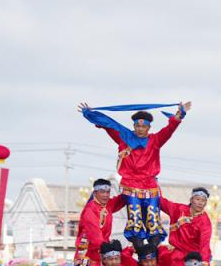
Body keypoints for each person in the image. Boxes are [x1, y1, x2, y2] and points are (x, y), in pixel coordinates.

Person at [80, 102, 192, 249]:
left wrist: (179, 115)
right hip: (131, 186)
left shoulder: (155, 140)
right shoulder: (123, 136)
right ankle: (139, 253)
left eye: (143, 126)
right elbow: (109, 124)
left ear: (149, 128)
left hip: (150, 187)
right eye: (137, 126)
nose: (140, 129)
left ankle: (152, 255)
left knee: (153, 220)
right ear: (134, 126)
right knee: (135, 220)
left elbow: (169, 129)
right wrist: (90, 114)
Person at [72, 179, 127, 266]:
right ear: (94, 193)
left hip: (101, 254)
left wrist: (132, 186)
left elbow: (121, 199)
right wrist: (110, 249)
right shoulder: (90, 209)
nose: (106, 195)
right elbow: (95, 235)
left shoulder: (108, 205)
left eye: (108, 192)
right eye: (102, 192)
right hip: (87, 254)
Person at [159, 187, 212, 266]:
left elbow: (205, 243)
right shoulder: (179, 210)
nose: (200, 203)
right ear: (191, 200)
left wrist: (204, 264)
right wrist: (152, 183)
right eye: (197, 199)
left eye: (203, 200)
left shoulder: (205, 221)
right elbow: (162, 202)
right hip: (177, 257)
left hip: (194, 259)